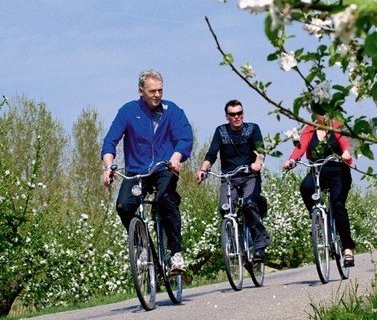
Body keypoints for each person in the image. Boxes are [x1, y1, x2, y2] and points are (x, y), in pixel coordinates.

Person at [101, 69, 193, 273]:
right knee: (123, 205)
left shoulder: (172, 111)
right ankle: (143, 248)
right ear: (141, 91)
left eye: (160, 90)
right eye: (152, 91)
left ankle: (176, 254)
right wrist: (108, 166)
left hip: (163, 167)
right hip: (136, 170)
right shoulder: (128, 111)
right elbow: (110, 141)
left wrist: (176, 158)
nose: (157, 95)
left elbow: (185, 137)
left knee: (166, 199)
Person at [195, 99, 270, 261]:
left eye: (239, 113)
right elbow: (211, 154)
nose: (237, 117)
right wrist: (203, 169)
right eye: (232, 114)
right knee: (225, 208)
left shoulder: (252, 129)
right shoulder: (221, 132)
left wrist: (258, 163)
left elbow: (260, 149)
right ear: (227, 116)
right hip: (229, 178)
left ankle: (259, 244)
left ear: (243, 114)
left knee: (249, 204)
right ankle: (237, 242)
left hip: (250, 176)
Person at [282, 113, 356, 267]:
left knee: (338, 206)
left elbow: (346, 143)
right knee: (306, 187)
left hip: (339, 172)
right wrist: (291, 160)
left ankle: (348, 248)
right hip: (318, 172)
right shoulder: (309, 129)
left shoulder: (336, 125)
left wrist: (347, 153)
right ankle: (318, 219)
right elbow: (301, 146)